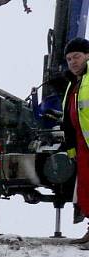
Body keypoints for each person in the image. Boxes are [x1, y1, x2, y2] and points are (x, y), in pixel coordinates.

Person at [62, 38, 89, 246]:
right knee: (86, 189)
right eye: (69, 58)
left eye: (77, 56)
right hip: (82, 145)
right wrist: (71, 149)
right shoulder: (75, 83)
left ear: (88, 55)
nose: (73, 62)